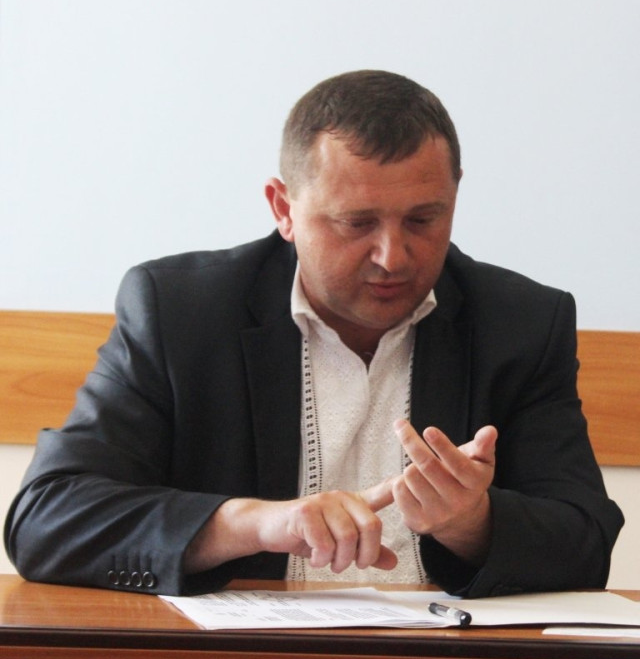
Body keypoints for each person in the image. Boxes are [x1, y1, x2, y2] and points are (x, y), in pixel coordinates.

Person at [4, 70, 623, 598]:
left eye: (422, 219)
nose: (393, 256)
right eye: (357, 223)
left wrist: (473, 523)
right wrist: (252, 523)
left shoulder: (521, 323)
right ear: (284, 209)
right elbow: (47, 518)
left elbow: (588, 544)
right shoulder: (180, 312)